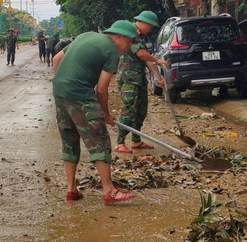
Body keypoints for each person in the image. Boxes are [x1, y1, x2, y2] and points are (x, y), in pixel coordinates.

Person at [52, 20, 138, 205]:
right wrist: (106, 115)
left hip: (60, 92)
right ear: (119, 37)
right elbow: (101, 89)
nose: (130, 46)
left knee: (69, 140)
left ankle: (71, 190)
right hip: (81, 95)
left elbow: (56, 59)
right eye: (130, 41)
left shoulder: (86, 35)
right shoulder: (111, 51)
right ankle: (109, 191)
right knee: (99, 139)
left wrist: (61, 82)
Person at [114, 11, 168, 154]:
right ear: (144, 22)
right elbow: (142, 54)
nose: (150, 29)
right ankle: (120, 142)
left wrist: (157, 77)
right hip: (128, 80)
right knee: (129, 110)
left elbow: (145, 60)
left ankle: (136, 141)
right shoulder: (130, 33)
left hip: (139, 79)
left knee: (140, 111)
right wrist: (158, 60)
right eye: (150, 26)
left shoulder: (140, 37)